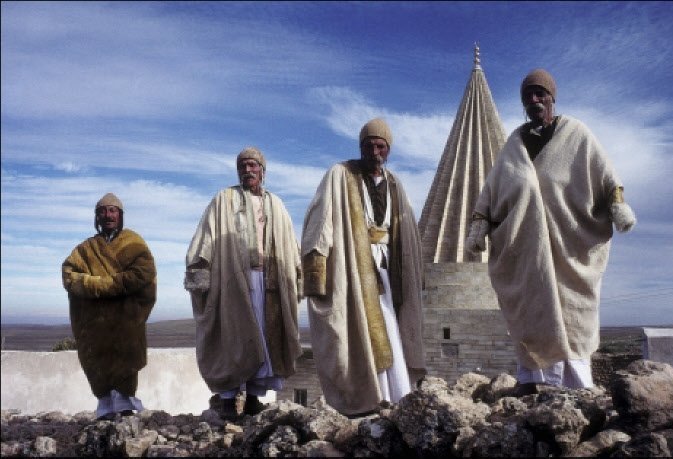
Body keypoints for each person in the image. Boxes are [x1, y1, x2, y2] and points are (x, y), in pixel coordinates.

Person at [466, 69, 637, 394]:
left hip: (568, 248)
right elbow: (491, 191)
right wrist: (479, 225)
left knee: (571, 318)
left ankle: (574, 391)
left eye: (540, 93)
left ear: (552, 97)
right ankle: (532, 383)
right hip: (526, 254)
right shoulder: (514, 145)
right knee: (532, 314)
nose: (534, 100)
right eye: (528, 95)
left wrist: (617, 207)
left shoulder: (576, 135)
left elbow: (606, 175)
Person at [302, 118, 426, 417]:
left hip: (388, 267)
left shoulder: (395, 184)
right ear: (360, 147)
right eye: (368, 145)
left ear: (388, 149)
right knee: (357, 331)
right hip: (353, 267)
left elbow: (407, 228)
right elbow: (321, 218)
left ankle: (396, 394)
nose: (374, 150)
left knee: (392, 328)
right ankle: (366, 398)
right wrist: (317, 267)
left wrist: (414, 272)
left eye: (380, 145)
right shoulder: (340, 174)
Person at [184, 147, 302, 419]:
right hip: (233, 282)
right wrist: (199, 272)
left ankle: (252, 399)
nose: (248, 170)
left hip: (270, 284)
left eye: (253, 165)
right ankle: (227, 400)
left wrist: (297, 275)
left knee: (264, 338)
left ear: (262, 170)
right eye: (243, 166)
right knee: (232, 340)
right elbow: (205, 236)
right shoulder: (223, 200)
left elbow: (290, 246)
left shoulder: (277, 204)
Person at [62, 193, 157, 421]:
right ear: (97, 216)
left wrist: (103, 285)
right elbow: (69, 275)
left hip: (125, 319)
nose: (108, 215)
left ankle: (125, 408)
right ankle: (104, 409)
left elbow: (143, 273)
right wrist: (101, 284)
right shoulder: (85, 248)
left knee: (125, 362)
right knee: (96, 363)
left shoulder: (133, 242)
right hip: (95, 323)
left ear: (120, 215)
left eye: (113, 210)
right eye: (103, 211)